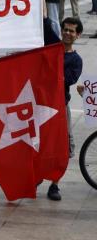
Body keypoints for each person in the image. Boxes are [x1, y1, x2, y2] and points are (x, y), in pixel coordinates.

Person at [47, 17, 83, 202]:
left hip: (61, 106)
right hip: (42, 104)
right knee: (39, 143)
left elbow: (67, 80)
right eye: (65, 29)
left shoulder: (76, 60)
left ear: (78, 35)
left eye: (72, 31)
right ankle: (36, 177)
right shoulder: (52, 47)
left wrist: (49, 65)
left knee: (64, 147)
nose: (68, 33)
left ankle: (54, 184)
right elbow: (45, 22)